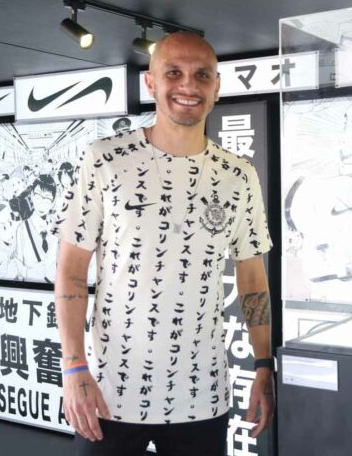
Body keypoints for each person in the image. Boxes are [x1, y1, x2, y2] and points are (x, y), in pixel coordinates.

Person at [51, 31, 274, 455]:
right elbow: (71, 270)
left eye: (201, 75)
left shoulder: (238, 176)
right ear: (151, 83)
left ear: (216, 87)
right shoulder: (104, 160)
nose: (188, 85)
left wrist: (264, 364)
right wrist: (73, 364)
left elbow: (252, 277)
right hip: (108, 391)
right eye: (173, 72)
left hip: (201, 393)